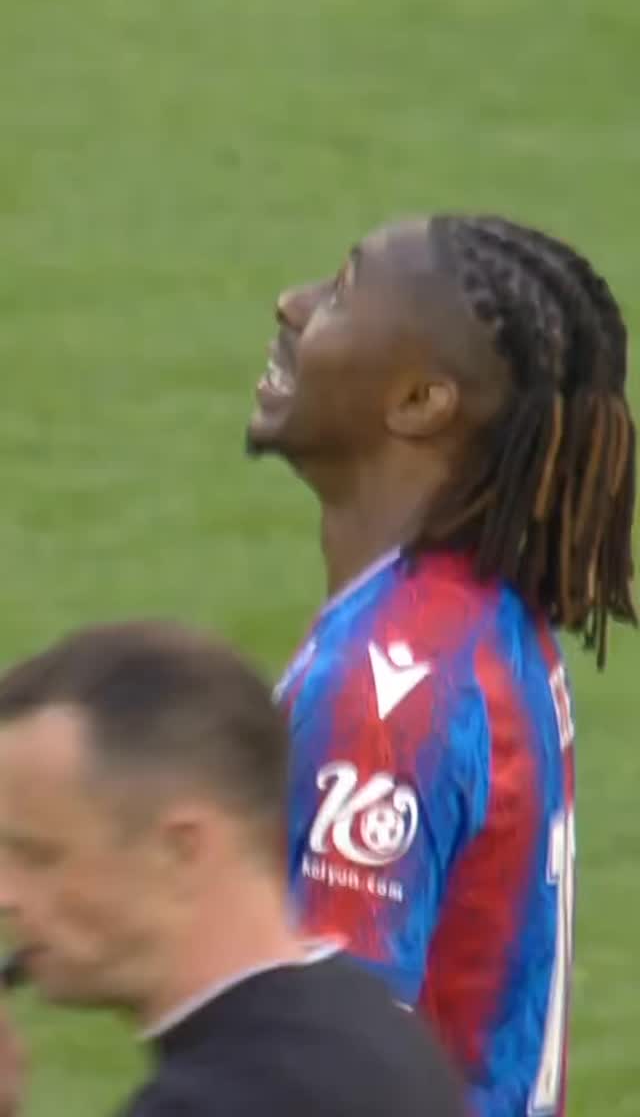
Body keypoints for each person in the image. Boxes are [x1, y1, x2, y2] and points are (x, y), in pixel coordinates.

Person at [246, 215, 637, 1116]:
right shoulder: (471, 614)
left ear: (421, 402)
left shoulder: (389, 689)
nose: (292, 304)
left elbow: (330, 1070)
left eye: (340, 295)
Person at [0, 621, 465, 1117]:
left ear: (181, 852)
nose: (5, 894)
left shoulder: (222, 1101)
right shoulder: (366, 1023)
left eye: (38, 856)